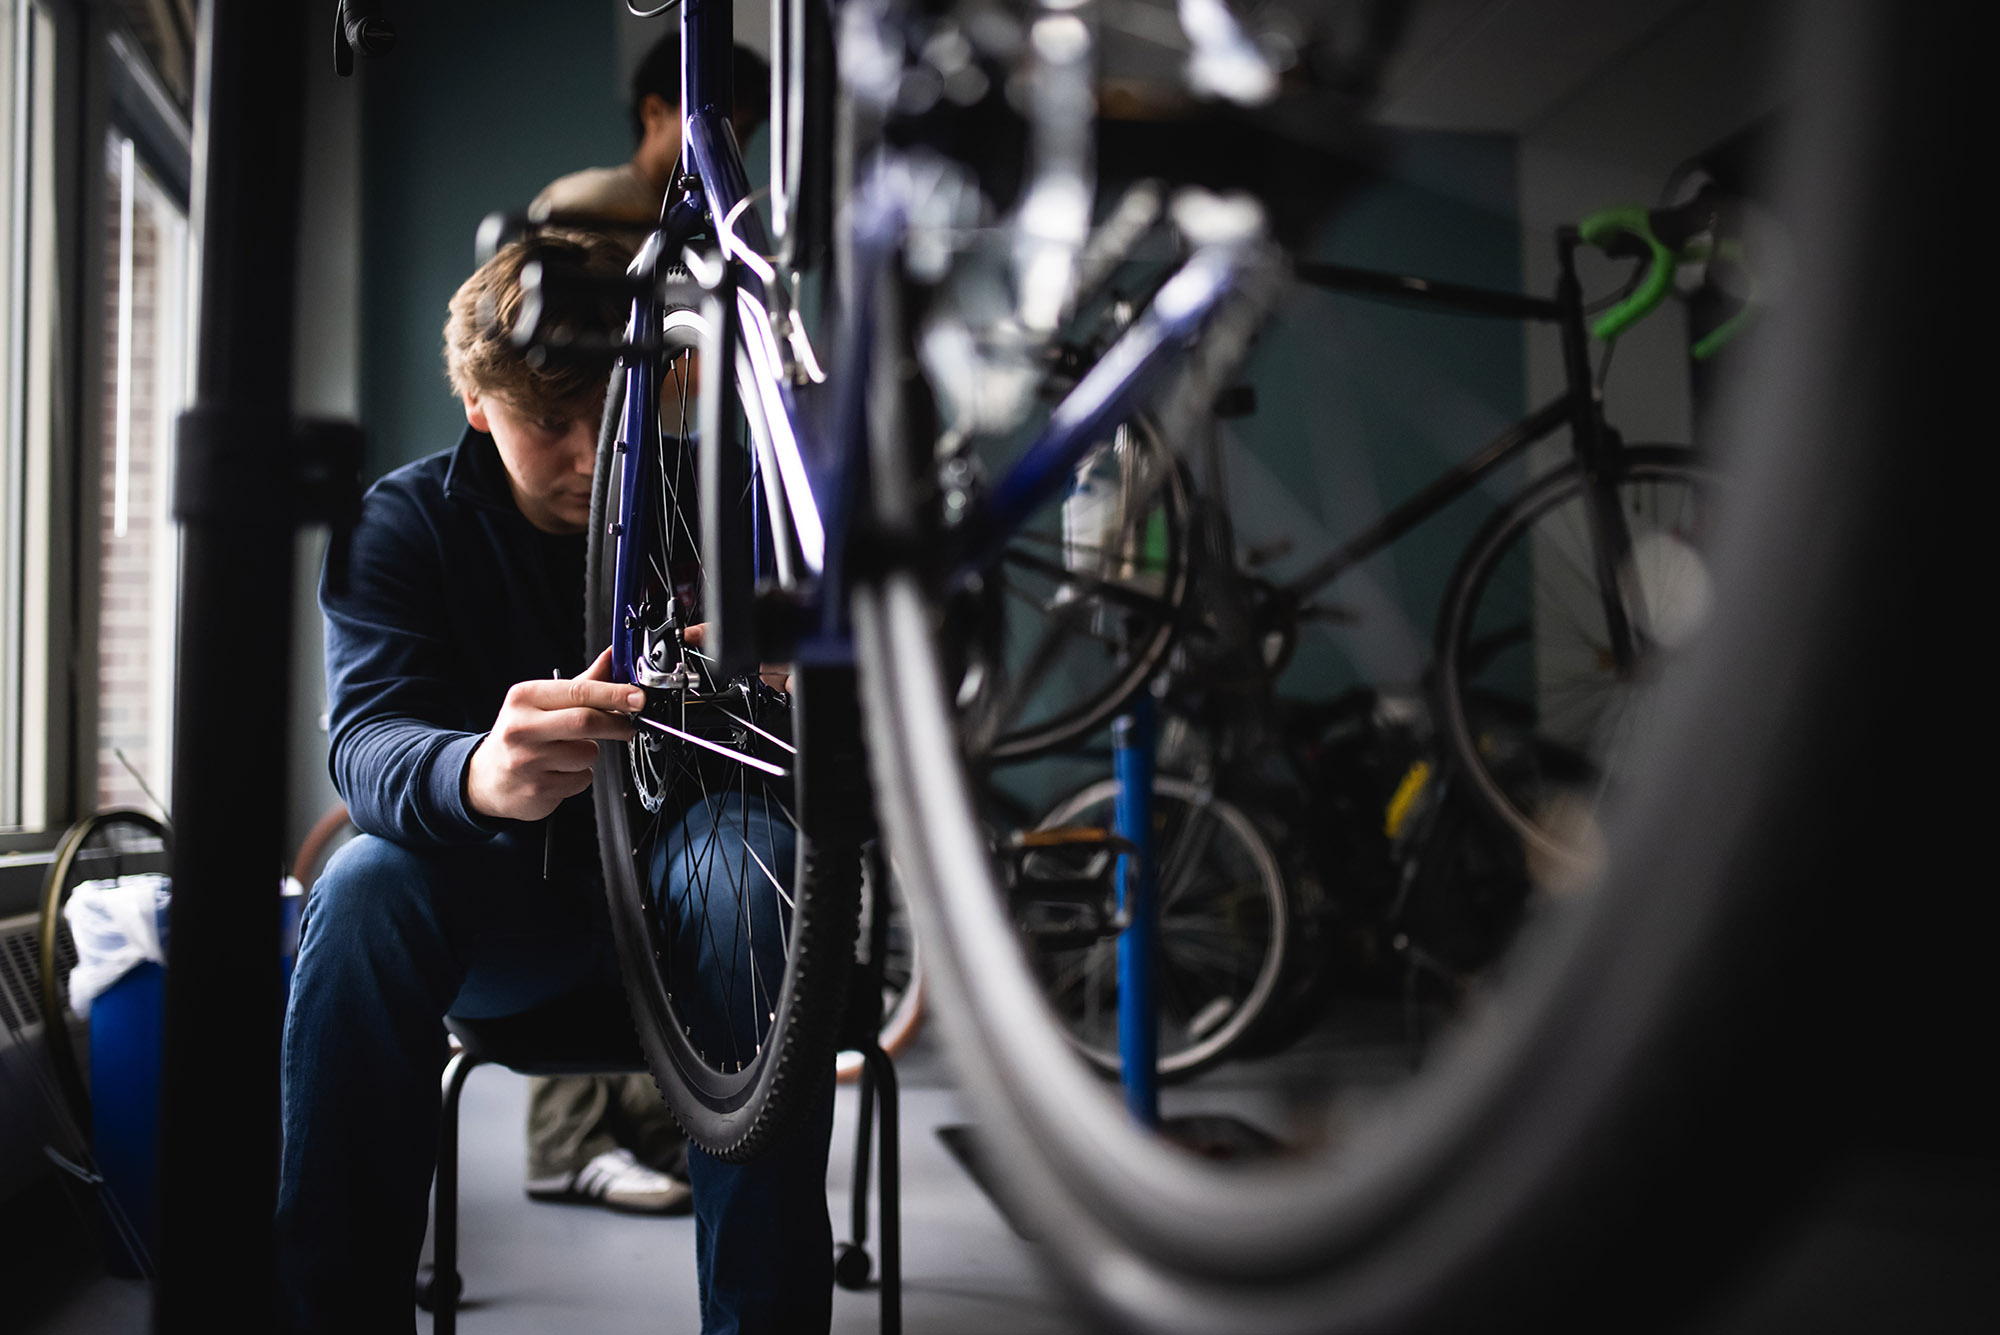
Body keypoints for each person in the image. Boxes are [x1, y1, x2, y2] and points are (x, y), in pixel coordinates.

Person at [275, 230, 837, 1334]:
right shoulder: (397, 525)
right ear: (478, 406)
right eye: (548, 423)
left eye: (614, 414)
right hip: (504, 922)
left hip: (713, 924)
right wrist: (476, 769)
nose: (591, 455)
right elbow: (369, 741)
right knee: (359, 888)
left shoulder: (727, 497)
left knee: (760, 858)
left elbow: (849, 734)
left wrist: (801, 681)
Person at [509, 24, 777, 1226]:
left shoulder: (723, 218)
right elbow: (549, 364)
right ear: (665, 106)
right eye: (714, 112)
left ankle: (658, 1109)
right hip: (590, 492)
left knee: (674, 800)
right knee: (578, 795)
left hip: (661, 484)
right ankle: (567, 1139)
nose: (730, 140)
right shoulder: (585, 210)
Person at [530, 32, 770, 237]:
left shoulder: (703, 224)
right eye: (714, 130)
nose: (734, 146)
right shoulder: (591, 203)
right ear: (654, 112)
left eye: (744, 132)